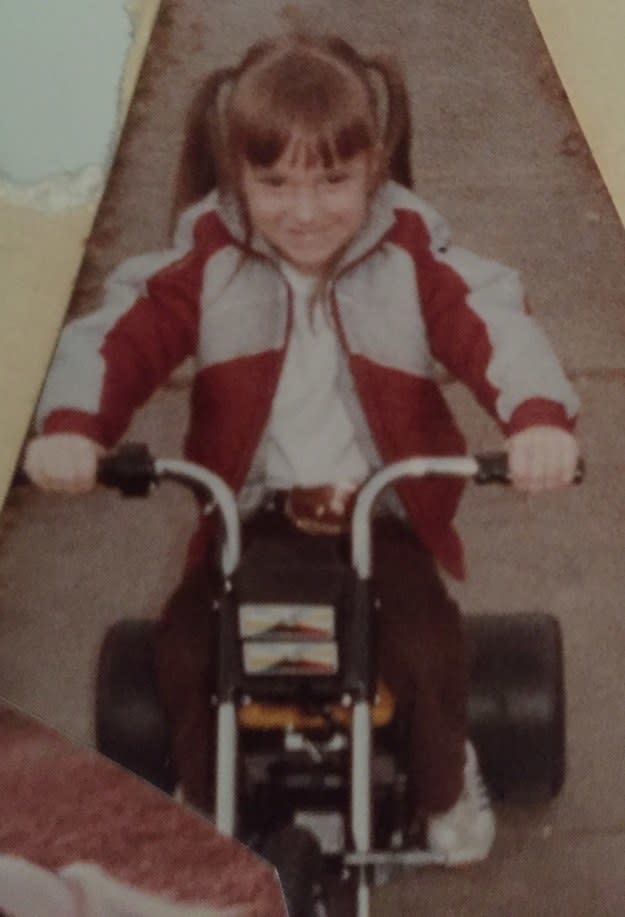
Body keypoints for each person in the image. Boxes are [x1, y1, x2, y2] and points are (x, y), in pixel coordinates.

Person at [23, 32, 580, 866]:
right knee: (184, 645)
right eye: (273, 182)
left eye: (332, 180)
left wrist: (536, 420)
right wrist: (72, 430)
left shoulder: (411, 252)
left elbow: (490, 319)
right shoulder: (207, 254)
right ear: (235, 177)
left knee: (424, 643)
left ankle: (443, 775)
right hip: (249, 520)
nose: (305, 209)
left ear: (375, 169)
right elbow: (123, 331)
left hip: (377, 514)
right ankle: (204, 795)